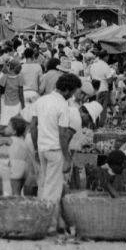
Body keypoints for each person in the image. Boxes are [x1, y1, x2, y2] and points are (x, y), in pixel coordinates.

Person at [30, 74, 80, 231]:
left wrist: (36, 148)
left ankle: (41, 219)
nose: (72, 96)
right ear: (67, 90)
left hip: (42, 148)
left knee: (44, 185)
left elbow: (33, 127)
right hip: (55, 150)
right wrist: (67, 158)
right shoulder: (62, 105)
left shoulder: (41, 100)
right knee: (53, 190)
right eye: (72, 92)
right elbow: (63, 135)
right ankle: (49, 225)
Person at [5, 116, 38, 196]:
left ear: (14, 132)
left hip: (16, 169)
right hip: (25, 168)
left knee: (15, 192)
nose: (6, 127)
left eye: (8, 126)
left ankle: (17, 202)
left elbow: (11, 156)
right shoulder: (23, 141)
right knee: (20, 190)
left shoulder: (11, 140)